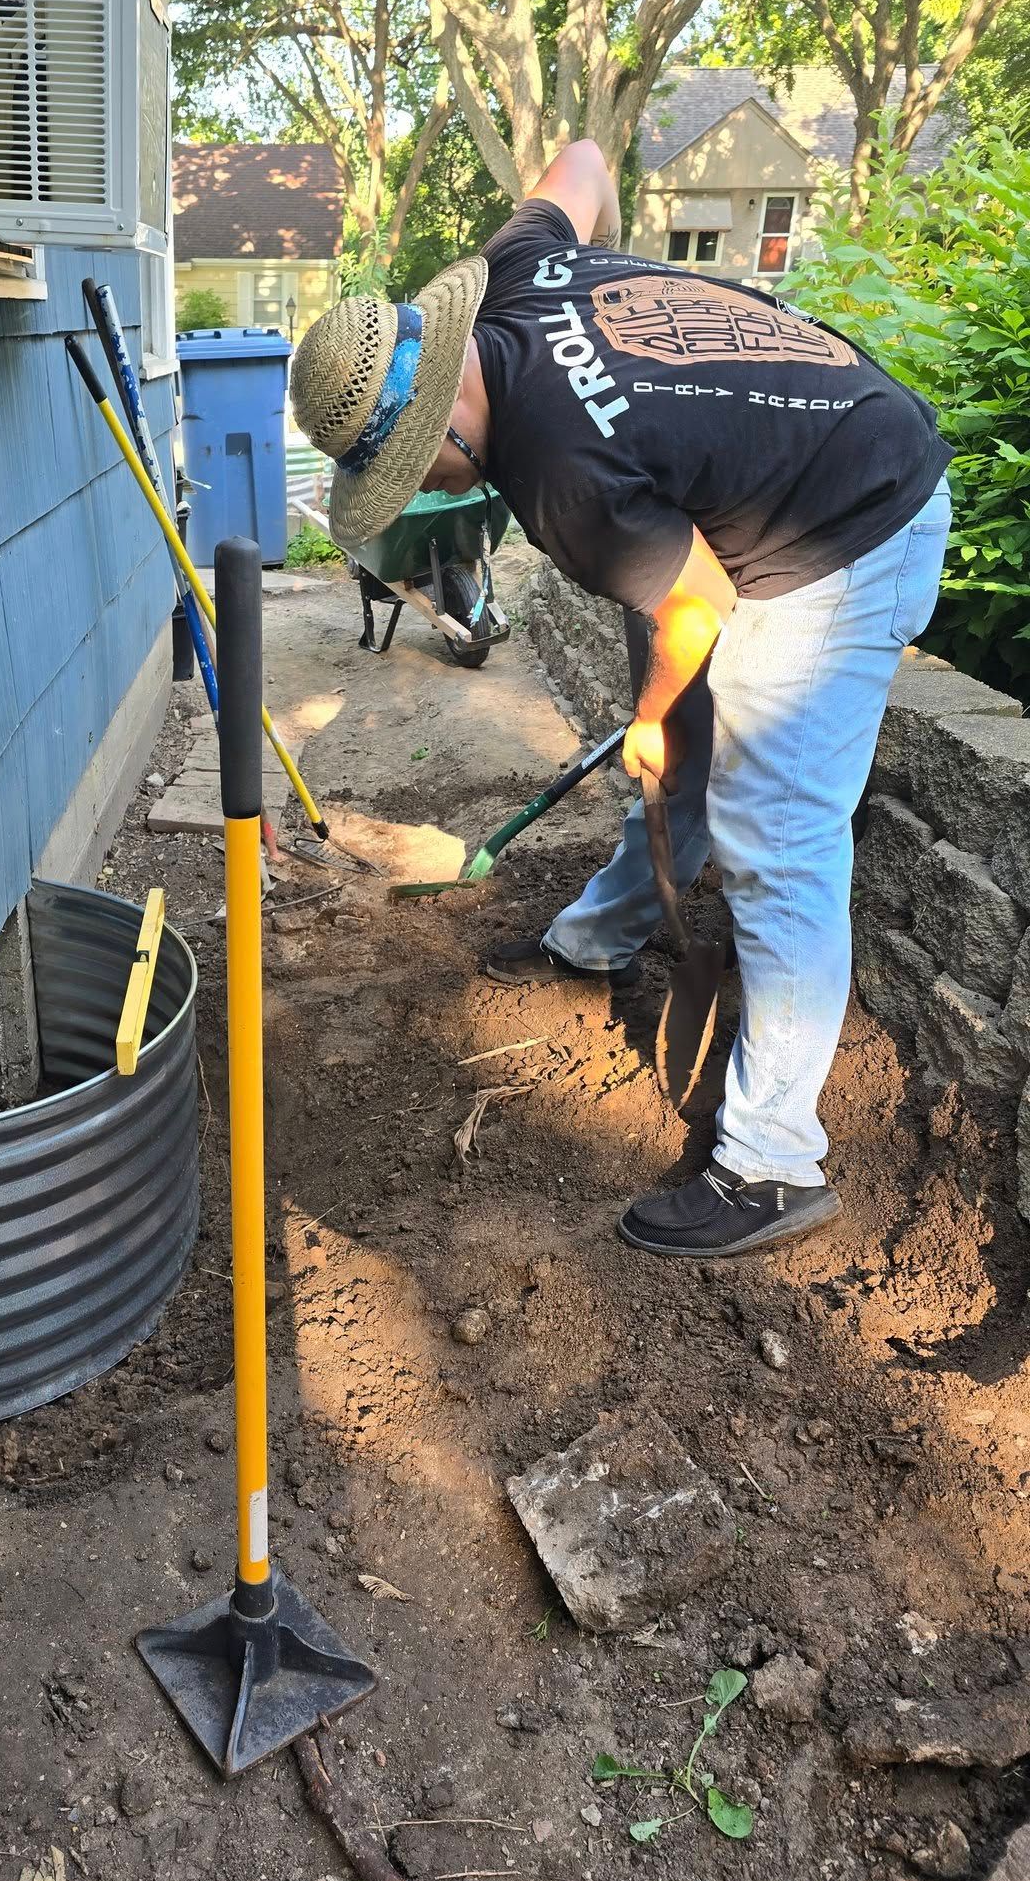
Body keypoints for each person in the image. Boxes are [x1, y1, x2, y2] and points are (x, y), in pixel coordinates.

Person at [289, 140, 952, 1258]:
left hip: (849, 523)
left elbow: (691, 596)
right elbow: (586, 164)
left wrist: (648, 716)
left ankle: (774, 1163)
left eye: (417, 469)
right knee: (694, 743)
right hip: (809, 469)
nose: (432, 490)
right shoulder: (511, 266)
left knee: (775, 832)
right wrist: (671, 716)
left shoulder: (558, 470)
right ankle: (598, 937)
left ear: (447, 423)